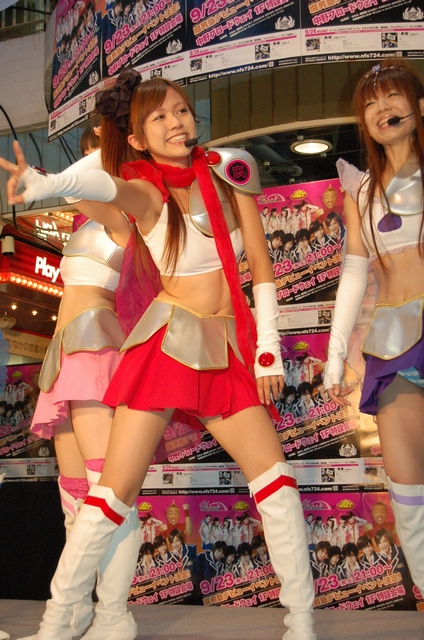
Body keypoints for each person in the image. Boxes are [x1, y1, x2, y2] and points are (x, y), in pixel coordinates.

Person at [1, 70, 316, 640]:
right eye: (159, 116)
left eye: (181, 110)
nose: (176, 122)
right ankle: (55, 626)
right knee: (112, 493)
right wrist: (45, 183)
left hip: (225, 347)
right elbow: (103, 188)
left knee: (276, 481)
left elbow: (261, 265)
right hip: (166, 344)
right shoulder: (146, 190)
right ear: (138, 138)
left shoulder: (231, 170)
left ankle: (302, 624)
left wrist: (268, 347)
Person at [22, 141, 139, 637]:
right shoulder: (89, 223)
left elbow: (72, 188)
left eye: (99, 147)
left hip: (94, 347)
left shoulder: (123, 216)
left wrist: (101, 148)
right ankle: (76, 616)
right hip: (66, 350)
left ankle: (114, 616)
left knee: (107, 491)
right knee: (74, 499)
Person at [323, 59, 424, 597]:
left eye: (392, 97)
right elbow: (354, 273)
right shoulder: (360, 191)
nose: (382, 108)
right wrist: (336, 353)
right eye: (370, 103)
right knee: (407, 488)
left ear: (419, 107)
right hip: (392, 344)